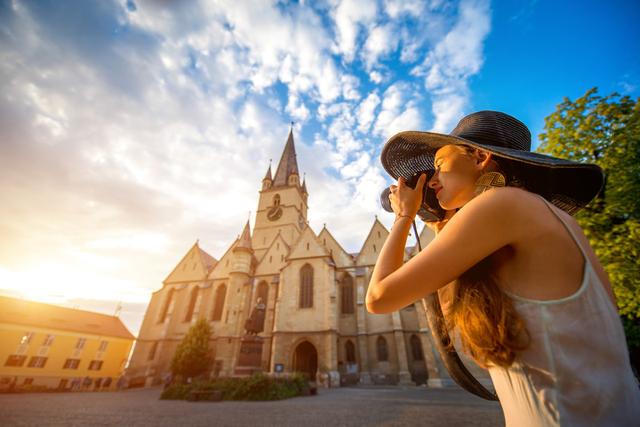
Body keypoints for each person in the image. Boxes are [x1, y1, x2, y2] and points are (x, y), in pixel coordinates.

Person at [366, 111, 640, 426]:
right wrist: (440, 218)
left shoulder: (502, 204)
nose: (434, 179)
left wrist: (403, 216)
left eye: (439, 166)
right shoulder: (549, 217)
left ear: (480, 157)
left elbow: (379, 297)